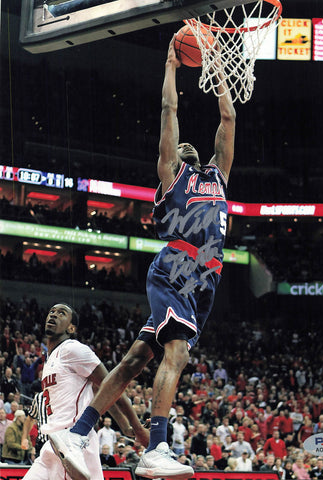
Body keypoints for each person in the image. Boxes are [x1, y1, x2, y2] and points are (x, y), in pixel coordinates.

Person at [49, 34, 235, 480]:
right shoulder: (172, 176)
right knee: (177, 355)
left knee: (135, 360)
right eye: (181, 149)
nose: (186, 147)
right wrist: (172, 66)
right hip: (176, 267)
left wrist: (217, 68)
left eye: (192, 147)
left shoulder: (220, 176)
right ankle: (156, 448)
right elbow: (169, 113)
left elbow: (227, 116)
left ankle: (78, 431)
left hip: (204, 281)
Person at [25, 303, 148, 480]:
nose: (53, 315)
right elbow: (102, 391)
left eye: (61, 313)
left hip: (73, 442)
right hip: (53, 443)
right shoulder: (50, 359)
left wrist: (133, 426)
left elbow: (112, 387)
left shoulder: (73, 349)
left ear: (71, 327)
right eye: (51, 311)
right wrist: (126, 426)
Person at [21, 391, 49, 457]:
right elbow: (30, 418)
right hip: (43, 443)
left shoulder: (67, 394)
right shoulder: (39, 397)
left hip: (62, 443)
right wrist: (24, 438)